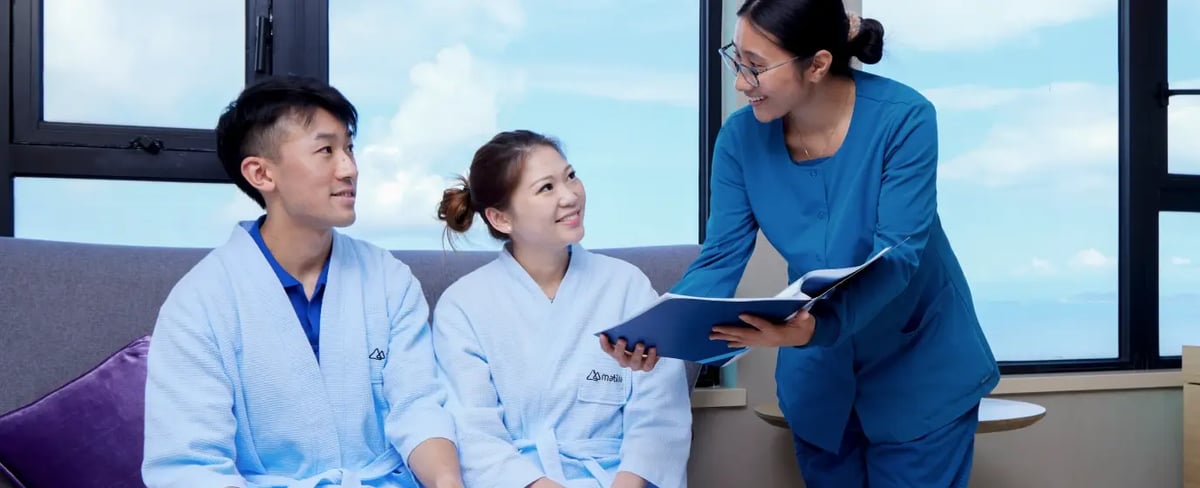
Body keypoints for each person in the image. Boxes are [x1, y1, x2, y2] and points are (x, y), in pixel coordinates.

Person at [601, 1, 1000, 486]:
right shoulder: (738, 141)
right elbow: (721, 257)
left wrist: (816, 330)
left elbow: (898, 257)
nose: (740, 82)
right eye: (736, 59)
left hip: (920, 370)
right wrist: (660, 332)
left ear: (817, 64)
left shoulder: (905, 119)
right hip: (819, 381)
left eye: (756, 67)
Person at [141, 75, 464, 488]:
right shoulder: (198, 303)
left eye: (349, 148)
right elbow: (189, 466)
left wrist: (446, 483)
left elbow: (417, 406)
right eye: (326, 151)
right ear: (261, 173)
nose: (349, 168)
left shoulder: (389, 279)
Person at [431, 130, 693, 488]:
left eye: (571, 176)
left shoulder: (627, 285)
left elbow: (660, 413)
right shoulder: (462, 306)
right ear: (501, 219)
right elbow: (474, 435)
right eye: (546, 188)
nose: (570, 196)